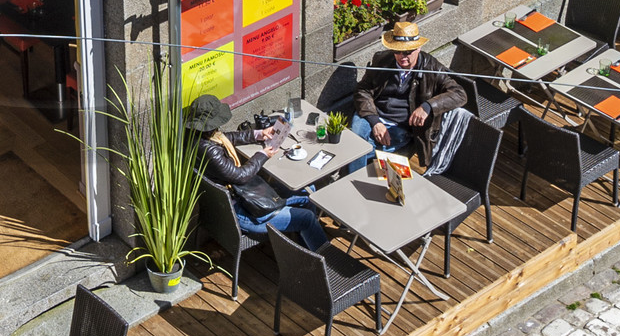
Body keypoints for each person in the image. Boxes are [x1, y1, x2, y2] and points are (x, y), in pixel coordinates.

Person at [185, 95, 333, 249]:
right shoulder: (210, 150)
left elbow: (229, 138)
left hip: (241, 199)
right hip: (245, 212)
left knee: (309, 191)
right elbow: (240, 176)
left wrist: (259, 134)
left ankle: (304, 244)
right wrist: (263, 155)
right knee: (307, 217)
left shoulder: (199, 138)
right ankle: (322, 256)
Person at [348, 16, 466, 172]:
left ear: (418, 48)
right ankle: (355, 179)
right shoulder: (382, 60)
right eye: (398, 51)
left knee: (356, 149)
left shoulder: (431, 68)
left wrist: (428, 106)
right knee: (357, 143)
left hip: (400, 126)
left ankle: (355, 174)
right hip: (372, 115)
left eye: (408, 51)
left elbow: (460, 94)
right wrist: (375, 121)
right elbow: (362, 90)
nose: (403, 56)